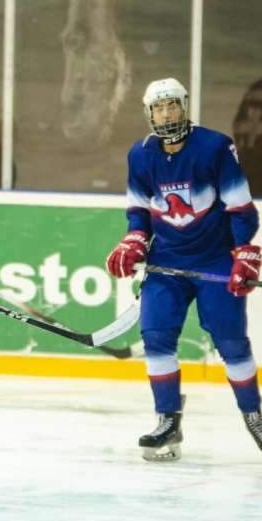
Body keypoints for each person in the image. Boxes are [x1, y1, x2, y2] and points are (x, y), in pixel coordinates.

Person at [105, 78, 262, 461]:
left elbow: (241, 208)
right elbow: (139, 212)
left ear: (184, 106)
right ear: (149, 113)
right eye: (158, 108)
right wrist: (133, 240)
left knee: (231, 343)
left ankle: (255, 416)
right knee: (157, 338)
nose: (166, 113)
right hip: (166, 264)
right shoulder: (140, 155)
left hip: (214, 261)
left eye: (172, 106)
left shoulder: (214, 146)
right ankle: (168, 421)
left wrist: (244, 252)